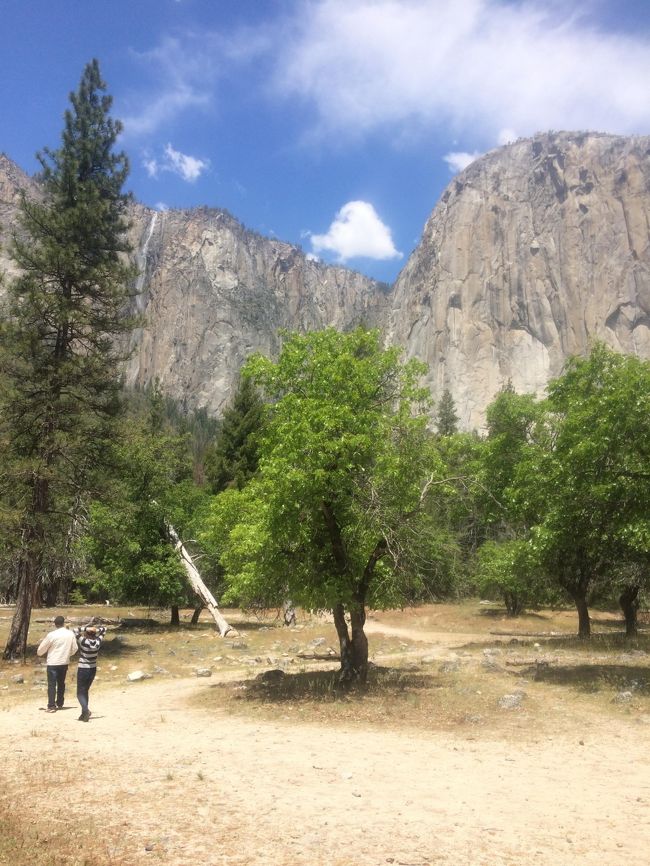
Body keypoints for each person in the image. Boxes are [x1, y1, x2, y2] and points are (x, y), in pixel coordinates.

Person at [37, 615, 78, 712]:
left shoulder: (52, 635)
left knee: (51, 684)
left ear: (55, 624)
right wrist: (68, 654)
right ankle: (59, 703)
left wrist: (39, 653)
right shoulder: (70, 634)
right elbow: (75, 648)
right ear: (63, 623)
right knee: (61, 683)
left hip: (53, 662)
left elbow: (41, 649)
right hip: (64, 662)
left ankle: (51, 706)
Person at [73, 624, 107, 722]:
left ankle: (85, 710)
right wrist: (97, 629)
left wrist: (86, 628)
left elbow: (74, 631)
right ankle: (83, 714)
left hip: (83, 668)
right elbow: (104, 629)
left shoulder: (84, 641)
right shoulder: (97, 641)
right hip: (93, 668)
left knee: (80, 692)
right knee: (85, 691)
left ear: (86, 633)